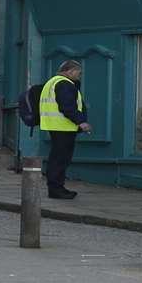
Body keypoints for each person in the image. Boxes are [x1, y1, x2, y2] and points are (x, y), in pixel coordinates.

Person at [38, 59, 90, 199]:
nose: (79, 76)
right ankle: (56, 189)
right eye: (78, 73)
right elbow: (67, 107)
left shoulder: (53, 82)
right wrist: (81, 122)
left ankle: (56, 188)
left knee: (57, 158)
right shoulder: (64, 84)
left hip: (56, 126)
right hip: (63, 127)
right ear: (70, 71)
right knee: (61, 159)